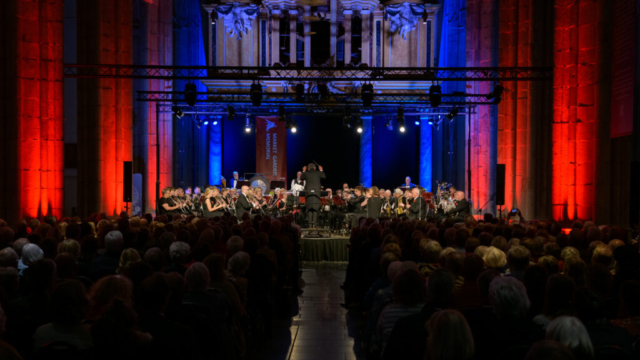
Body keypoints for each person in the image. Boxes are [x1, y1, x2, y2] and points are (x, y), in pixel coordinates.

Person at [300, 163, 325, 228]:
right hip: (316, 193)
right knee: (315, 209)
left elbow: (301, 178)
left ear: (308, 168)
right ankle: (314, 224)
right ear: (315, 168)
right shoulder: (318, 173)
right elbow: (324, 176)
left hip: (308, 193)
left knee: (309, 208)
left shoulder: (306, 173)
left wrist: (304, 171)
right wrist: (321, 170)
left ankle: (310, 224)